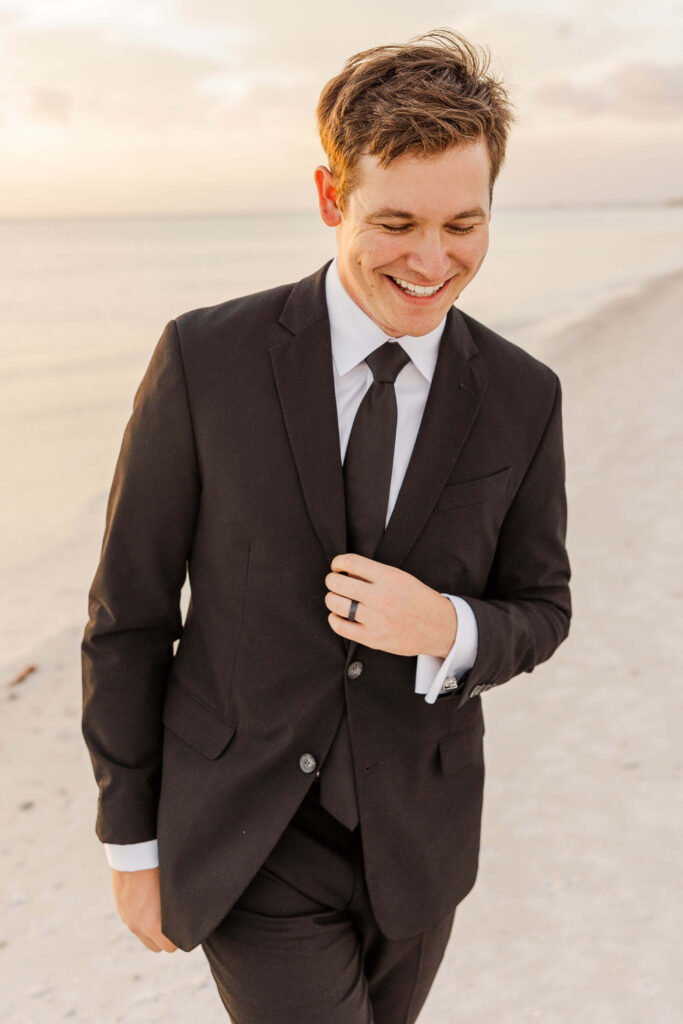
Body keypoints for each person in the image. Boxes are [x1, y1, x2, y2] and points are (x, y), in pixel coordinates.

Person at [81, 27, 571, 1023]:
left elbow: (541, 606)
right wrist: (132, 847)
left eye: (464, 225)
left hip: (418, 843)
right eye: (395, 221)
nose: (432, 261)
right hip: (246, 836)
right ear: (328, 196)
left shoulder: (523, 395)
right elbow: (129, 614)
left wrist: (448, 627)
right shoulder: (205, 360)